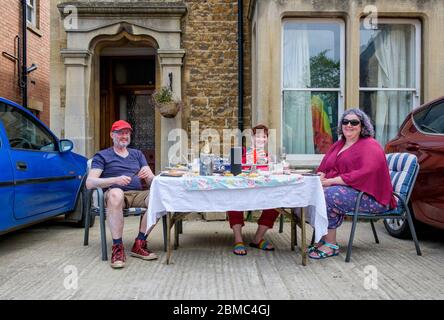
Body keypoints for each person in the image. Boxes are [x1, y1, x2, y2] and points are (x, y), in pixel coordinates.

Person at [308, 108, 396, 259]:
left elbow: (365, 173)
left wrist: (330, 181)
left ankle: (331, 245)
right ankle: (322, 237)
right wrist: (320, 176)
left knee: (328, 195)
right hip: (350, 191)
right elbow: (325, 166)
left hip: (372, 197)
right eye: (345, 121)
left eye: (354, 122)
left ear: (363, 126)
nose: (349, 125)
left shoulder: (370, 145)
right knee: (312, 193)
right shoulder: (339, 144)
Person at [86, 120, 157, 269]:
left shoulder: (137, 154)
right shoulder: (102, 156)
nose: (124, 136)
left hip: (137, 194)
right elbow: (90, 182)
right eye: (120, 133)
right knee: (116, 193)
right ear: (112, 135)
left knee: (158, 197)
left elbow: (153, 183)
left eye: (127, 133)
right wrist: (115, 180)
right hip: (114, 195)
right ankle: (117, 248)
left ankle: (140, 243)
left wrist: (148, 177)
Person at [228, 124, 280, 256]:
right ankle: (238, 240)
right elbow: (232, 170)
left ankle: (258, 238)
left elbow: (275, 174)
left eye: (264, 137)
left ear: (267, 139)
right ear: (251, 137)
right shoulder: (242, 153)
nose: (261, 139)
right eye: (257, 136)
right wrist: (247, 162)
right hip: (243, 190)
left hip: (262, 192)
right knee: (233, 200)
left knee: (276, 202)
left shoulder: (270, 158)